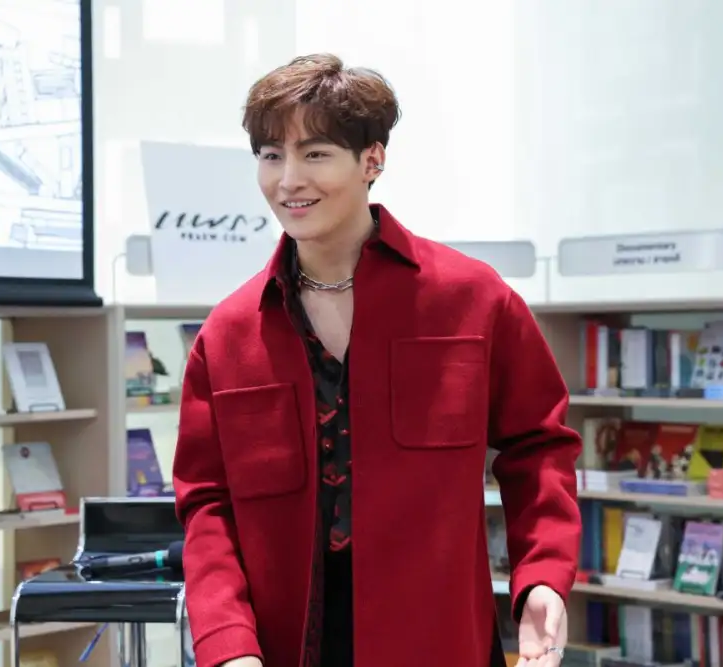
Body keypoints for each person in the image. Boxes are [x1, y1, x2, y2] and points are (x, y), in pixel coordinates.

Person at [172, 53, 581, 667]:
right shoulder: (228, 335)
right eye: (271, 155)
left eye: (315, 154)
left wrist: (543, 574)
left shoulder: (472, 299)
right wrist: (227, 643)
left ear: (372, 160)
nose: (288, 181)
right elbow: (208, 505)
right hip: (280, 649)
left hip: (440, 642)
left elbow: (539, 445)